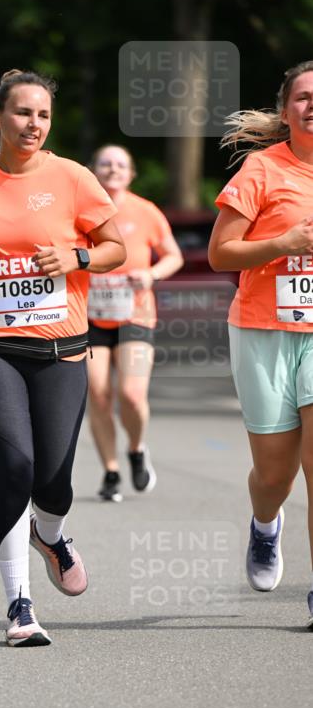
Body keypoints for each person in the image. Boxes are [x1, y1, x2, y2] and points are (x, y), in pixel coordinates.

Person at [0, 69, 126, 646]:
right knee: (14, 467)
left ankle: (51, 533)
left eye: (42, 114)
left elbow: (117, 248)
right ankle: (19, 605)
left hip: (62, 347)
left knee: (56, 482)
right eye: (21, 113)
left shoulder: (72, 177)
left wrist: (77, 258)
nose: (33, 124)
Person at [208, 60, 313, 626]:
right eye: (303, 96)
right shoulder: (261, 169)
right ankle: (265, 524)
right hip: (263, 328)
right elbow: (221, 253)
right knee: (276, 473)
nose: (312, 104)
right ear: (286, 110)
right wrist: (286, 241)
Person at [87, 145, 183, 501]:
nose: (112, 169)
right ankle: (111, 471)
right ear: (93, 170)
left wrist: (151, 273)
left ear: (130, 174)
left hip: (136, 315)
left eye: (120, 164)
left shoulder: (145, 211)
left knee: (131, 394)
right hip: (91, 317)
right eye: (105, 163)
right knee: (97, 394)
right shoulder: (82, 211)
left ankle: (137, 447)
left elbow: (173, 256)